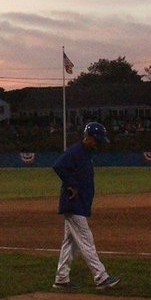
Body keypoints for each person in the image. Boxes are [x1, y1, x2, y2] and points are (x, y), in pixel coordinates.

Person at [51, 122, 120, 290]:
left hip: (79, 204)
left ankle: (61, 278)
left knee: (70, 243)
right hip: (74, 205)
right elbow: (58, 165)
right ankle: (101, 277)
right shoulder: (76, 151)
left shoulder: (86, 153)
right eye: (96, 140)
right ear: (88, 137)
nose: (98, 144)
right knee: (86, 240)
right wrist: (72, 184)